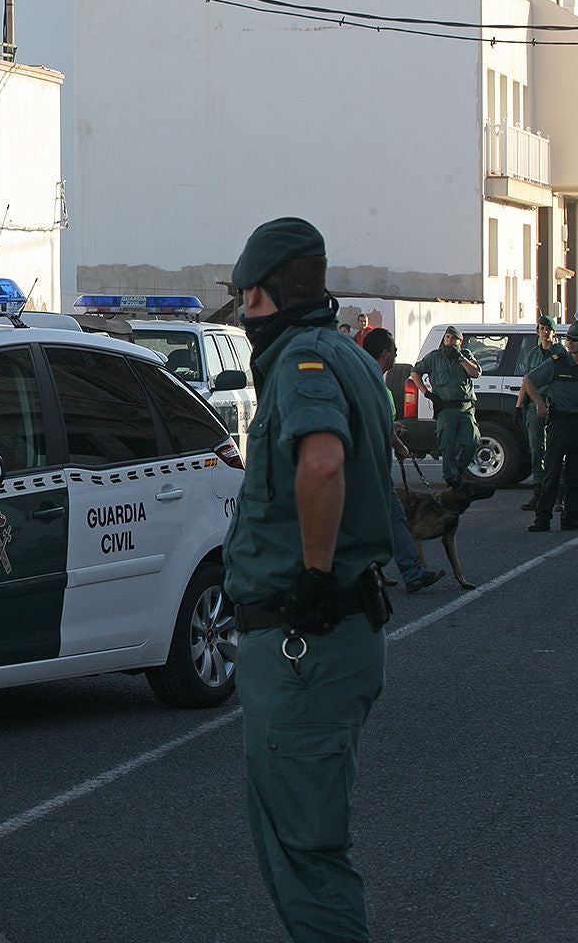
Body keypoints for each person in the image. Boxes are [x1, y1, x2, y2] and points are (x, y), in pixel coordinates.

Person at [224, 217, 393, 942]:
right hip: (330, 639)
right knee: (303, 836)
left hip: (306, 640)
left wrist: (315, 577)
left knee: (306, 851)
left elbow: (321, 460)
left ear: (259, 294)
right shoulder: (344, 352)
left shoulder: (301, 362)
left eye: (242, 299)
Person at [360, 327, 446, 593]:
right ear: (386, 353)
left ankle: (384, 571)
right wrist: (399, 444)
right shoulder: (374, 383)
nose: (397, 354)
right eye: (394, 350)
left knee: (379, 520)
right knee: (392, 518)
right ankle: (411, 572)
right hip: (372, 466)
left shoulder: (363, 379)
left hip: (367, 465)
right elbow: (381, 426)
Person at [523, 322, 578, 533]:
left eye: (574, 340)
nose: (570, 343)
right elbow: (529, 380)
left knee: (576, 473)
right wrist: (539, 403)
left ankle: (571, 517)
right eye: (568, 339)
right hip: (559, 421)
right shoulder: (556, 363)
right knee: (552, 470)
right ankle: (542, 518)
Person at [414, 326, 481, 487]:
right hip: (445, 408)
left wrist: (460, 358)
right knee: (447, 445)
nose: (449, 341)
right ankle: (451, 478)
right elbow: (415, 372)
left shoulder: (465, 355)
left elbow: (476, 373)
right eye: (447, 338)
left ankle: (457, 470)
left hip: (465, 407)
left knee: (472, 441)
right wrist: (427, 393)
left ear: (460, 341)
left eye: (453, 339)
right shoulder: (434, 357)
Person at [516, 315, 565, 514]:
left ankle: (558, 495)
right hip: (535, 405)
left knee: (556, 451)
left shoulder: (561, 353)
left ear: (554, 332)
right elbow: (526, 381)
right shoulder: (533, 354)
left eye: (548, 328)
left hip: (555, 404)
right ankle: (538, 492)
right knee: (536, 449)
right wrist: (518, 406)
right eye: (541, 328)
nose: (545, 332)